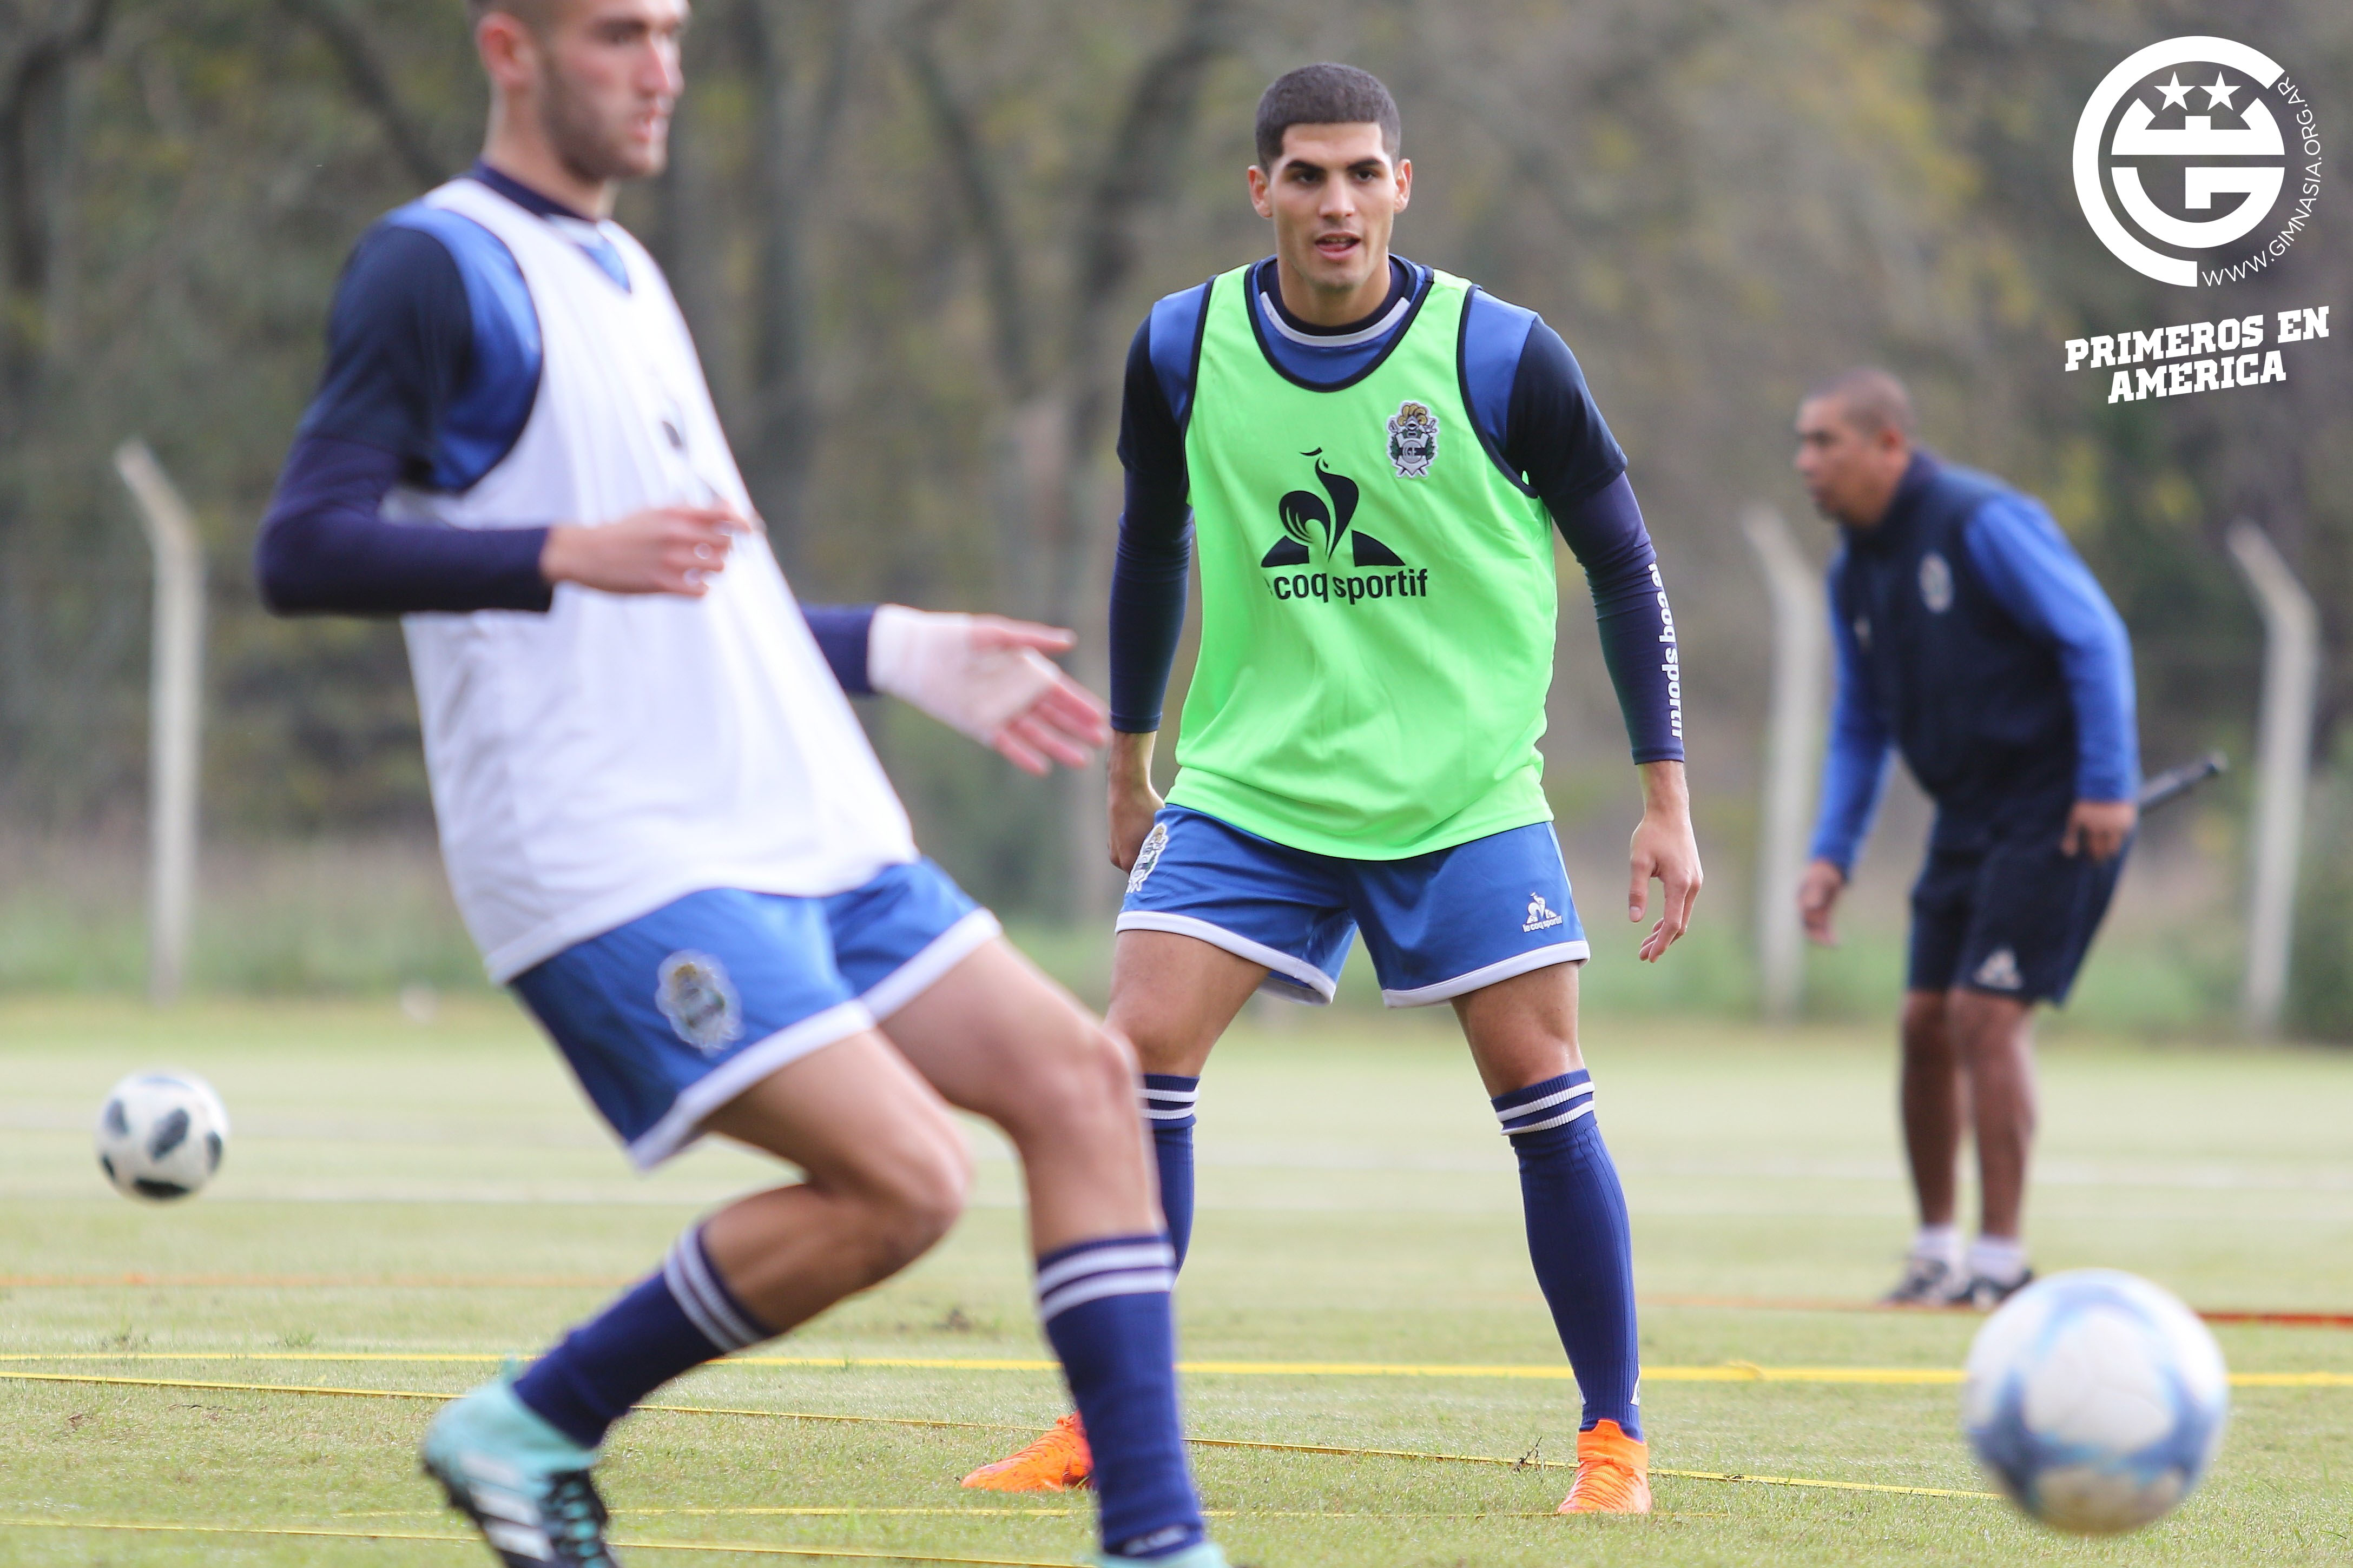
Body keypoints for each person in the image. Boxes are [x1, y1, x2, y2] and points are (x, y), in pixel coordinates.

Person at [254, 2, 1229, 1565]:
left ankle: (1158, 1542)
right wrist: (555, 552)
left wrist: (899, 649)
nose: (660, 71)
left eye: (673, 33)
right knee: (903, 1185)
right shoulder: (433, 264)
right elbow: (300, 548)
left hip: (804, 823)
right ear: (509, 47)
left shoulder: (628, 275)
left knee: (1084, 1083)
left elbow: (698, 590)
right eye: (617, 34)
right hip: (612, 850)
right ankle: (535, 1418)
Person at [961, 63, 1700, 1517]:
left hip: (1462, 793)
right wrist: (1128, 762)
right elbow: (1146, 549)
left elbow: (1622, 561)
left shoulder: (1503, 355)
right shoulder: (1178, 346)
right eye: (1305, 174)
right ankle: (1103, 1423)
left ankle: (1611, 1440)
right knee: (1131, 1060)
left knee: (1541, 1090)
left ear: (1401, 186)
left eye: (1362, 172)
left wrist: (1662, 799)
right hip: (1249, 790)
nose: (1335, 201)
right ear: (1260, 191)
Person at [1791, 368, 2138, 1310]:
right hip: (1966, 817)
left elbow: (2093, 638)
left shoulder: (1979, 520)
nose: (1806, 463)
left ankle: (1999, 1263)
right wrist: (1832, 853)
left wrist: (2107, 783)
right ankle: (1936, 1252)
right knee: (1919, 1025)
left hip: (2054, 805)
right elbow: (1860, 722)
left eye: (1825, 442)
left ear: (1888, 446)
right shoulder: (1852, 569)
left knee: (1985, 1017)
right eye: (1803, 443)